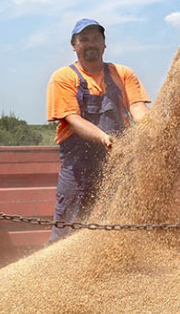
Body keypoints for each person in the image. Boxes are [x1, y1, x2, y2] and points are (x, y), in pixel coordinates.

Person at [45, 18, 151, 242]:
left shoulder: (121, 73)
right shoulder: (64, 77)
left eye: (96, 39)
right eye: (84, 39)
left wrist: (150, 126)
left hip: (118, 159)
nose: (90, 43)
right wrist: (103, 136)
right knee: (68, 222)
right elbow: (72, 118)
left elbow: (136, 106)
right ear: (74, 45)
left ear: (104, 44)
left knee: (122, 218)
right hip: (78, 164)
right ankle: (58, 271)